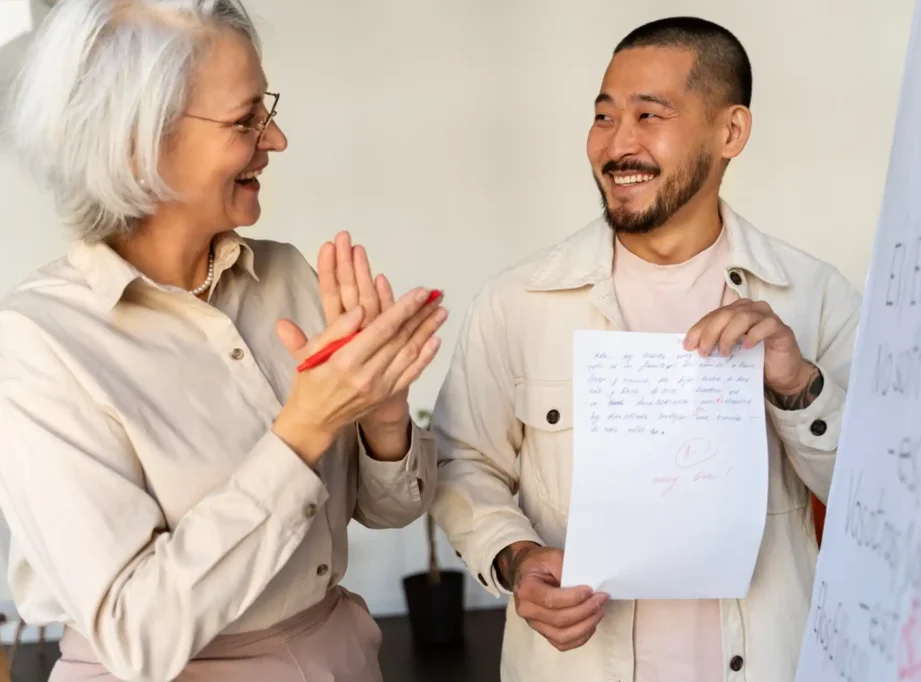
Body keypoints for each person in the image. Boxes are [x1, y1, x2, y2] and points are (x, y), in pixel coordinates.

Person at [0, 2, 448, 681]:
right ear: (136, 141)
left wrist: (384, 416)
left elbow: (391, 509)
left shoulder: (288, 278)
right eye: (247, 120)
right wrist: (302, 430)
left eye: (266, 109)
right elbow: (136, 634)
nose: (277, 139)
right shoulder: (38, 344)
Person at [429, 16, 862, 682]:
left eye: (648, 115)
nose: (616, 145)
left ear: (730, 133)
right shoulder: (519, 302)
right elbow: (460, 460)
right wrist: (512, 555)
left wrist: (797, 382)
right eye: (603, 117)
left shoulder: (814, 297)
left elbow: (873, 498)